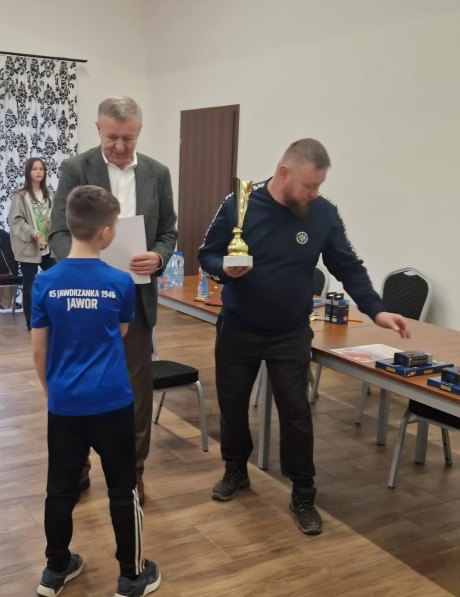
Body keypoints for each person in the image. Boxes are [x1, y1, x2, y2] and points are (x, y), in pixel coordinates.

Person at [198, 138, 410, 536]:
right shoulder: (239, 204)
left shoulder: (323, 213)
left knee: (296, 414)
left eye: (319, 186)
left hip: (290, 333)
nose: (314, 194)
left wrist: (376, 309)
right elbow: (206, 254)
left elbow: (348, 265)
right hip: (239, 327)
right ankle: (235, 470)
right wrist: (224, 268)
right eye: (309, 186)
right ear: (284, 172)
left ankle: (303, 493)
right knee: (232, 405)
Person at [32, 185, 161, 597]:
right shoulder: (120, 282)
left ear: (68, 225)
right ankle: (132, 575)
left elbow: (39, 348)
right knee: (122, 489)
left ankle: (55, 569)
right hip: (112, 402)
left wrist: (52, 391)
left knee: (60, 488)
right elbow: (119, 333)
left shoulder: (45, 282)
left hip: (65, 404)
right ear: (106, 232)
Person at [49, 96, 177, 504]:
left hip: (134, 296)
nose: (120, 146)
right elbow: (58, 233)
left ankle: (132, 472)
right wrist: (86, 267)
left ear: (139, 132)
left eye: (128, 137)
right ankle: (78, 467)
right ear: (98, 129)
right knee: (81, 380)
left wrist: (159, 256)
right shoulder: (75, 168)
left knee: (135, 389)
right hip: (83, 298)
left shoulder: (157, 173)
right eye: (112, 137)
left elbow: (169, 231)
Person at [8, 158, 55, 330]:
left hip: (48, 246)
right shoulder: (20, 195)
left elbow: (55, 215)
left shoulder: (50, 194)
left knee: (54, 281)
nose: (39, 171)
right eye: (35, 169)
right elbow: (16, 221)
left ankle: (53, 317)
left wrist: (52, 224)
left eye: (41, 168)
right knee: (30, 285)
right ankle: (32, 322)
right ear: (28, 172)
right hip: (29, 247)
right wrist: (34, 233)